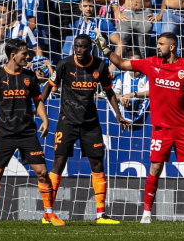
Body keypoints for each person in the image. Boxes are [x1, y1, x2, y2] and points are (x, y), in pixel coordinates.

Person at [95, 32, 184, 225]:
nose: (158, 47)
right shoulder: (151, 63)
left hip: (183, 128)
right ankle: (146, 213)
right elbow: (122, 64)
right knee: (155, 168)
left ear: (171, 47)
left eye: (161, 44)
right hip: (160, 129)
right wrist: (105, 48)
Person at [40, 34, 132, 224]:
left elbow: (108, 91)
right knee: (59, 162)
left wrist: (117, 114)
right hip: (67, 122)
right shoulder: (64, 65)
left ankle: (100, 215)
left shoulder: (99, 65)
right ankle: (47, 213)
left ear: (90, 48)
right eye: (76, 47)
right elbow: (50, 86)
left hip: (90, 123)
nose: (78, 50)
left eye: (82, 47)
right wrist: (40, 107)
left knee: (97, 164)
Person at [0, 39, 64, 227]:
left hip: (27, 133)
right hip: (4, 133)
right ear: (13, 55)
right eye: (24, 53)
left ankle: (48, 213)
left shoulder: (30, 76)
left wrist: (45, 119)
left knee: (41, 173)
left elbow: (37, 100)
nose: (28, 56)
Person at [73, 0, 124, 77]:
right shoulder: (77, 24)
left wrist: (114, 65)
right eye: (85, 6)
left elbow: (120, 44)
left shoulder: (103, 23)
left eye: (91, 6)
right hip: (82, 66)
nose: (88, 9)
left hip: (100, 65)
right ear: (80, 7)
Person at [113, 52, 150, 123]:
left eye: (138, 62)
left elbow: (152, 92)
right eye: (133, 63)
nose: (136, 65)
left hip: (144, 118)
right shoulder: (121, 77)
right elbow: (112, 93)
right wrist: (121, 98)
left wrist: (134, 94)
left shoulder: (146, 77)